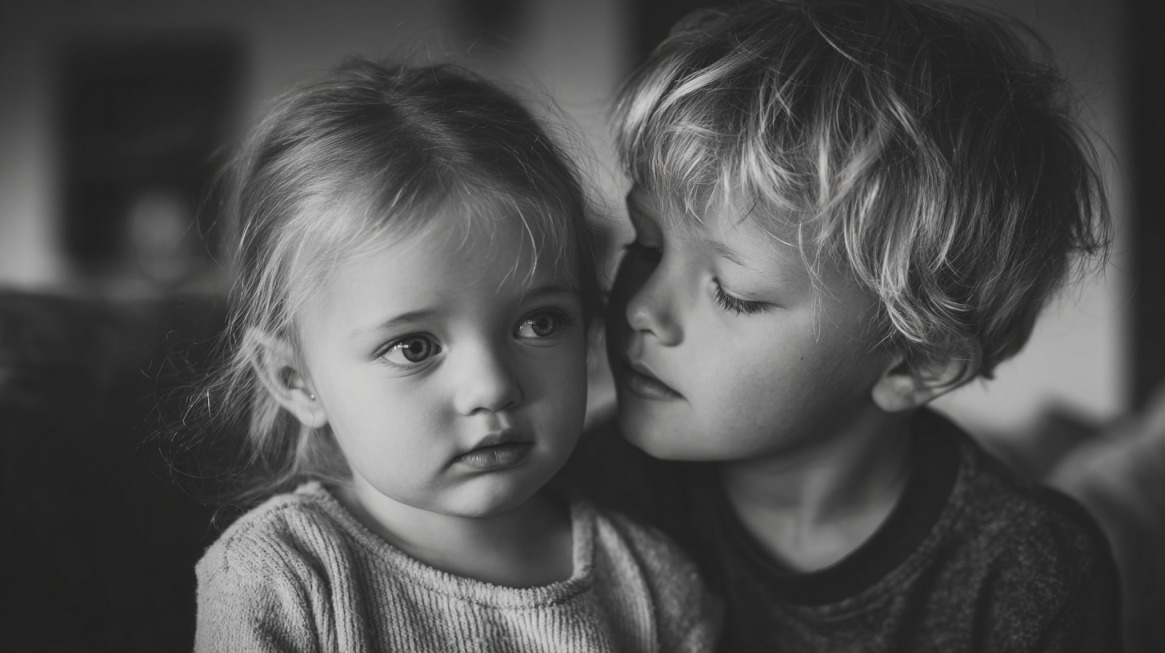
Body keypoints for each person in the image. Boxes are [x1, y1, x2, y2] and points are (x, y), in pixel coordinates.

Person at [570, 0, 1122, 650]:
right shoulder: (594, 486)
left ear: (913, 363)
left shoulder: (1025, 571)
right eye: (644, 244)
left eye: (736, 294)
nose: (639, 309)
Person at [190, 57, 720, 652]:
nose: (493, 386)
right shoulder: (282, 578)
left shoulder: (652, 581)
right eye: (413, 346)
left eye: (540, 322)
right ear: (295, 380)